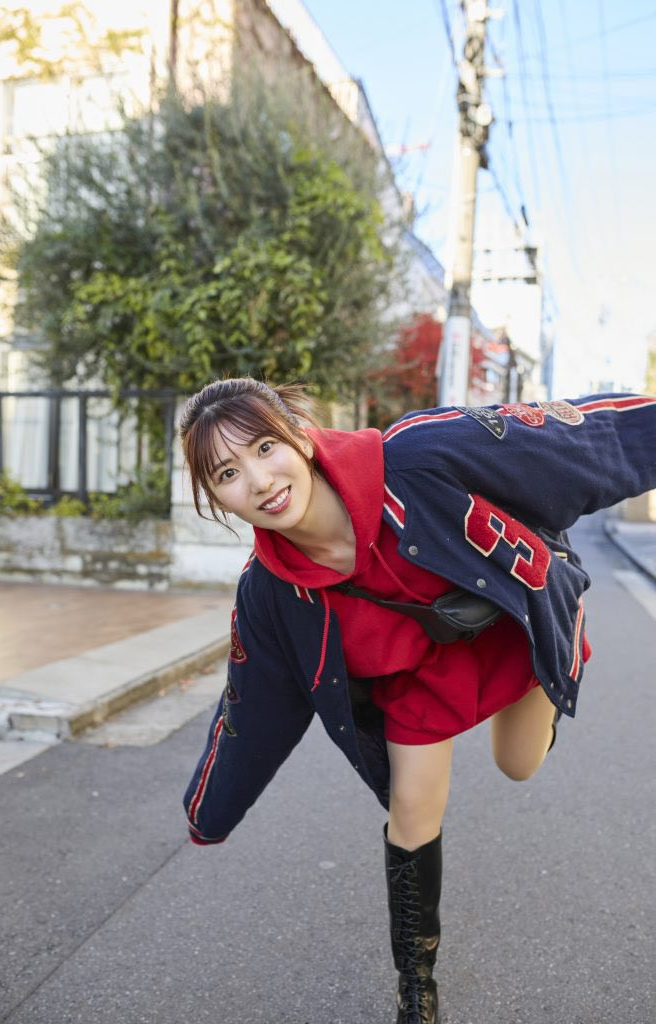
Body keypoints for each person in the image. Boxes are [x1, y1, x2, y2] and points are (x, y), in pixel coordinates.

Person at [179, 377, 656, 1024]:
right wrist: (209, 812)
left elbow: (576, 439)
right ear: (215, 498)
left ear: (300, 436)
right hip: (414, 683)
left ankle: (557, 649)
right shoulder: (271, 593)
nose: (259, 480)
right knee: (411, 809)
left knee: (519, 765)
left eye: (265, 447)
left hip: (509, 629)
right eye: (228, 473)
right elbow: (251, 707)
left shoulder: (418, 454)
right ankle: (416, 985)